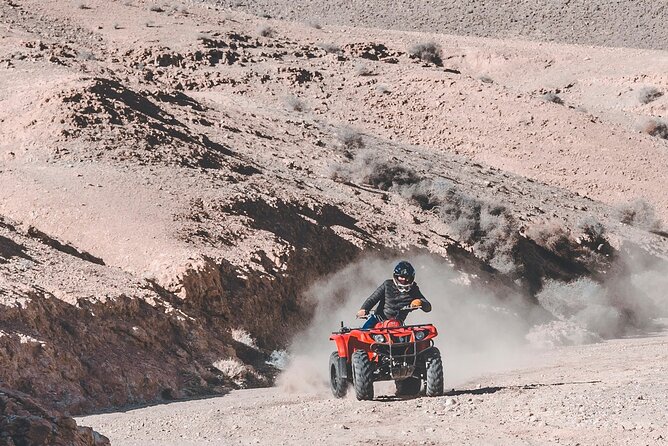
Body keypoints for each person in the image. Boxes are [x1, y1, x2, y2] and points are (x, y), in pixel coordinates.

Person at [356, 261, 431, 329]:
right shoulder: (387, 284)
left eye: (407, 277)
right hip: (378, 319)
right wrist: (364, 309)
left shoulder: (414, 289)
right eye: (401, 277)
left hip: (398, 324)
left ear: (411, 278)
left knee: (409, 340)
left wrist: (420, 302)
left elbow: (428, 307)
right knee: (364, 333)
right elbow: (373, 299)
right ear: (396, 276)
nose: (404, 280)